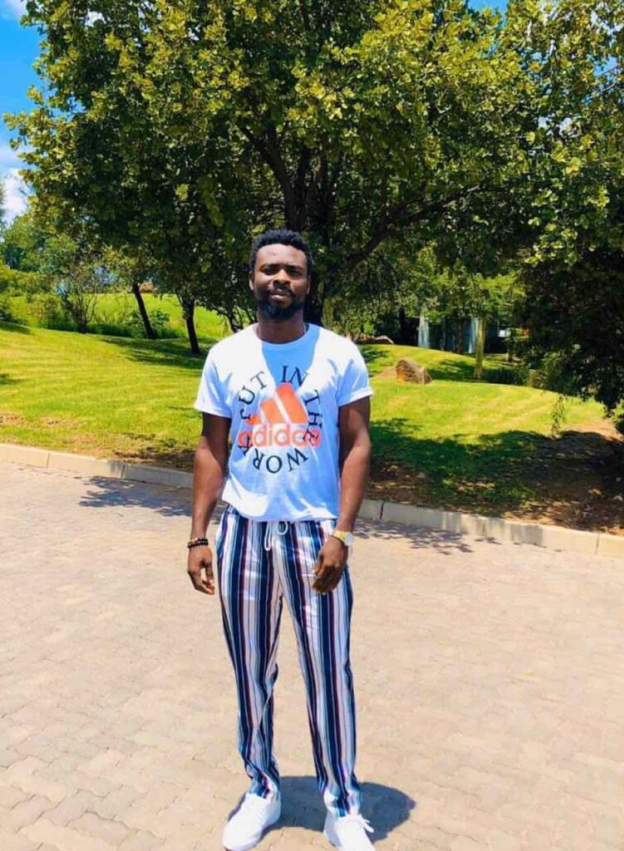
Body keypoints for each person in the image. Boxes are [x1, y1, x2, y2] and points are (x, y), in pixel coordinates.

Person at [187, 229, 375, 851]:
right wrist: (198, 535)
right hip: (244, 531)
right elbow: (212, 448)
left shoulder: (338, 354)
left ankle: (341, 804)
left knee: (328, 671)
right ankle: (262, 788)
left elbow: (357, 445)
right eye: (269, 269)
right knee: (250, 670)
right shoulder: (226, 357)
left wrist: (343, 532)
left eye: (292, 271)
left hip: (316, 533)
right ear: (252, 278)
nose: (280, 279)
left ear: (307, 283)